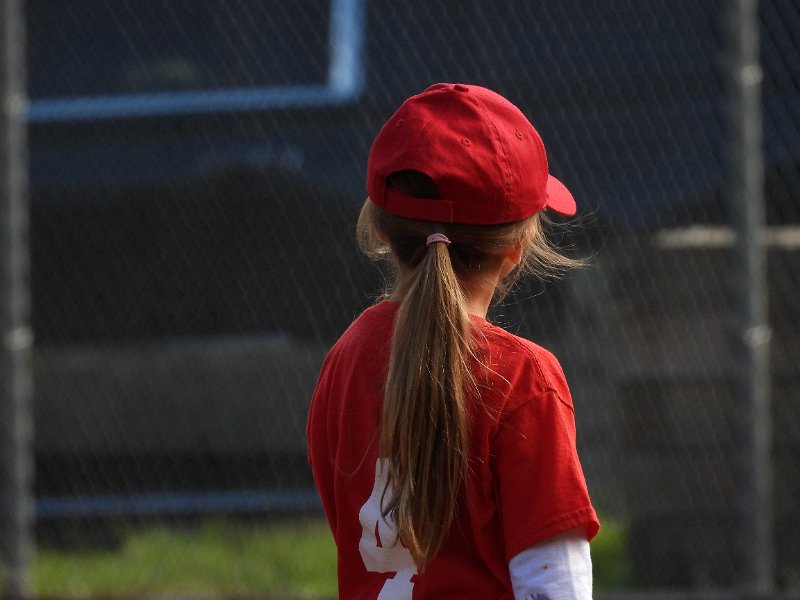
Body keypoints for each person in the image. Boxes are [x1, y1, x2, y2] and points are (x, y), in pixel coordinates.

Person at [307, 83, 600, 600]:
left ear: (380, 228)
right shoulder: (523, 376)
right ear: (518, 245)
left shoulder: (344, 359)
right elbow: (554, 583)